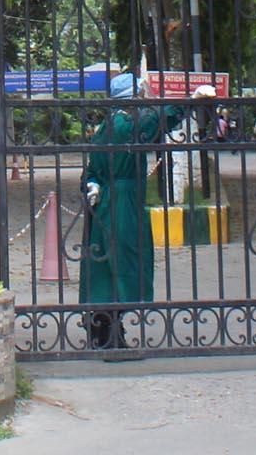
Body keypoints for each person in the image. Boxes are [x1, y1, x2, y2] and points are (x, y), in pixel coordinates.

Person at [79, 73, 214, 354]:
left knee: (108, 264)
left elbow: (92, 169)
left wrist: (92, 184)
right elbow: (159, 120)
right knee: (123, 262)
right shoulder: (125, 124)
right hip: (123, 202)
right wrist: (191, 101)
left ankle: (103, 326)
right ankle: (109, 333)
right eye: (142, 93)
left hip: (109, 201)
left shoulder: (107, 125)